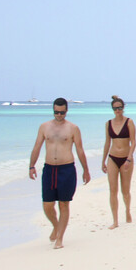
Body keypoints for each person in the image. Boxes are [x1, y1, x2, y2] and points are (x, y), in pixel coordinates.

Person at [28, 97, 91, 249]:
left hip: (67, 169)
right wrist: (31, 166)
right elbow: (37, 146)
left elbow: (80, 150)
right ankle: (56, 226)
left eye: (62, 112)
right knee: (47, 205)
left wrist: (86, 170)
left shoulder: (73, 128)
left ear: (66, 111)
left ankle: (60, 239)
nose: (59, 115)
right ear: (53, 110)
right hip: (49, 169)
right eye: (56, 112)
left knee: (64, 204)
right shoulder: (44, 127)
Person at [101, 95, 136, 229]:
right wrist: (103, 161)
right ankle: (115, 220)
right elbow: (107, 143)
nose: (118, 110)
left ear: (123, 108)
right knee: (112, 190)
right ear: (112, 109)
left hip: (126, 159)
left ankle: (127, 210)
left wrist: (129, 157)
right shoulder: (108, 124)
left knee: (125, 190)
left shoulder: (129, 122)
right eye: (115, 108)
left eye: (120, 108)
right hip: (112, 158)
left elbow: (133, 142)